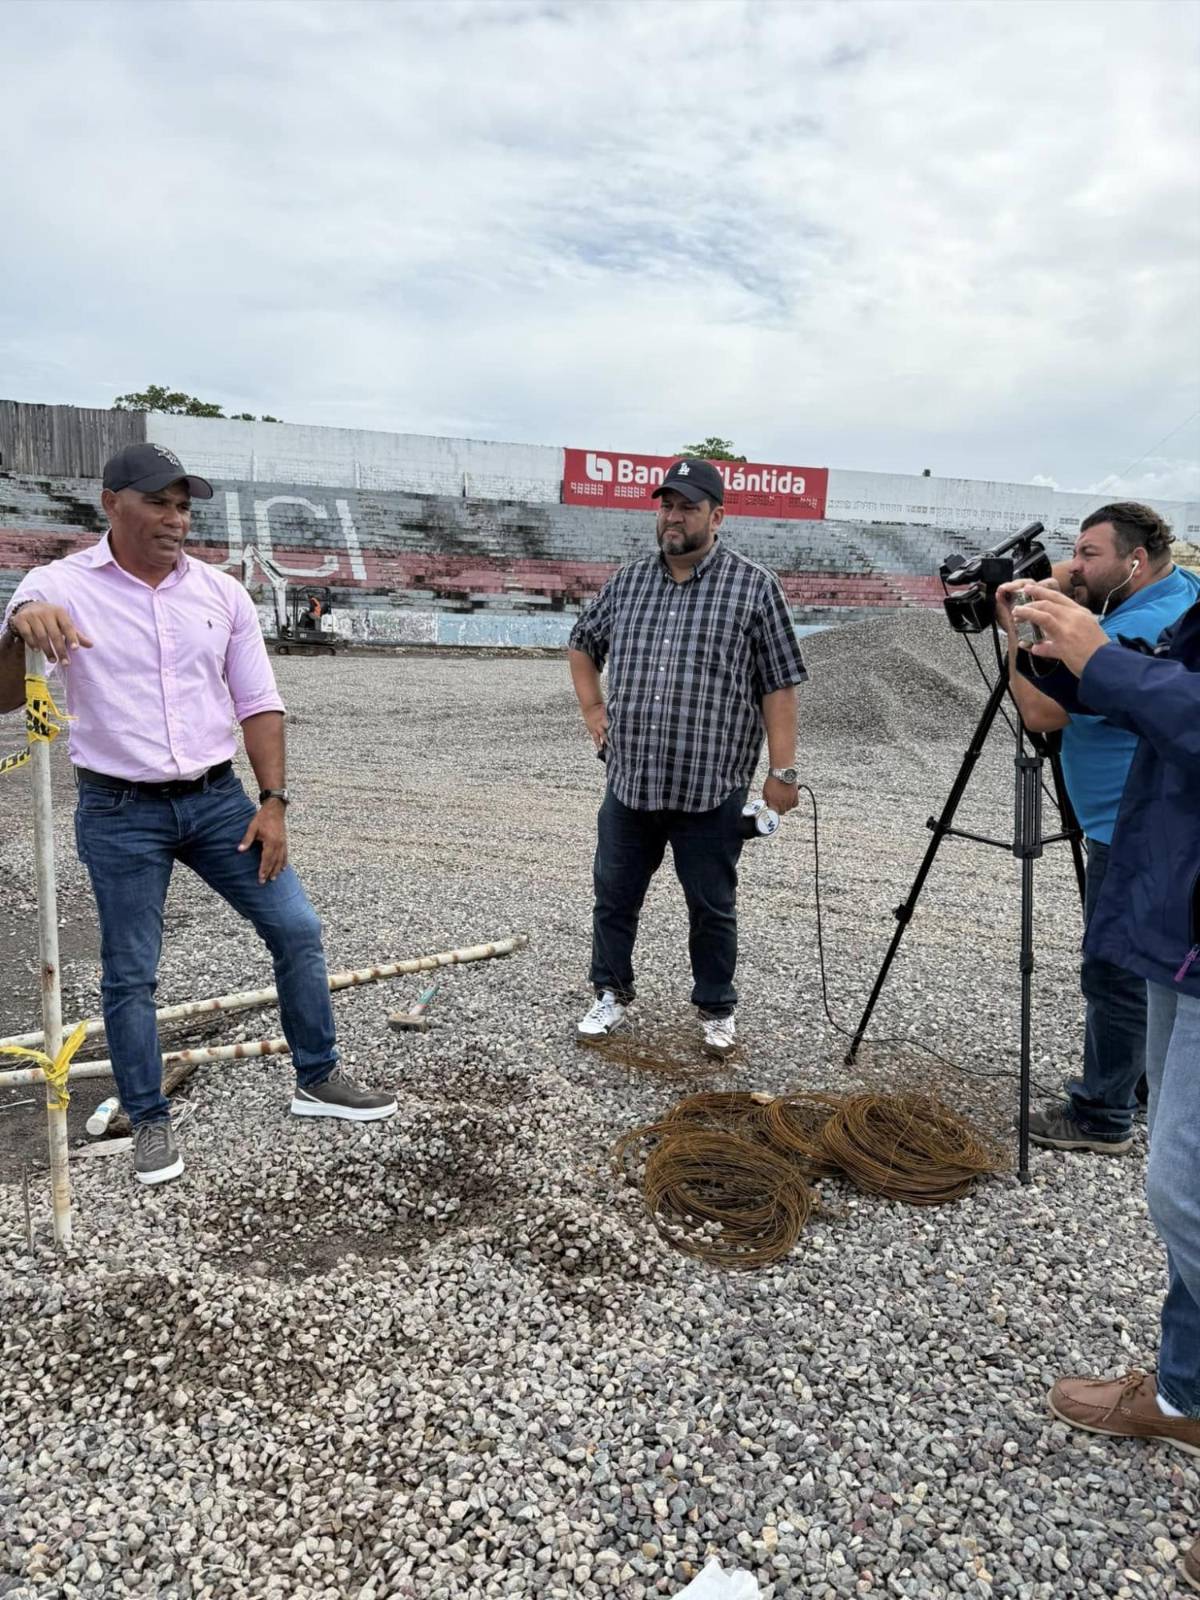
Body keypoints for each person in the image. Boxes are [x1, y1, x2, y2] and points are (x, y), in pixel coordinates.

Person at [0, 442, 396, 1186]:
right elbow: (5, 695)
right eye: (158, 502)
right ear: (111, 503)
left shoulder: (220, 594)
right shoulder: (57, 585)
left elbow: (259, 702)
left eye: (184, 505)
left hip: (219, 802)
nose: (176, 519)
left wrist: (273, 803)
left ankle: (318, 1077)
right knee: (129, 972)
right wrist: (22, 627)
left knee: (297, 929)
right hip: (120, 809)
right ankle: (148, 1120)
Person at [999, 577, 1200, 1593]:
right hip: (1178, 922)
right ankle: (1180, 1393)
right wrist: (1033, 642)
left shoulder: (1163, 612)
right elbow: (1078, 708)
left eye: (1089, 554)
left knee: (1187, 1198)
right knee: (1185, 1196)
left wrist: (1104, 655)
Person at [566, 457, 808, 1059]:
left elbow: (778, 685)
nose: (673, 517)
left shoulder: (754, 587)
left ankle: (716, 1007)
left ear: (717, 516)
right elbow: (581, 643)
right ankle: (611, 992)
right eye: (666, 505)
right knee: (615, 895)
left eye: (688, 506)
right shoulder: (629, 582)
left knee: (712, 905)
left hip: (711, 787)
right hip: (631, 782)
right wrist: (594, 712)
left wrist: (782, 772)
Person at [1000, 503, 1200, 1154]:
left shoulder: (1134, 625)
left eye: (1089, 555)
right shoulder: (1175, 591)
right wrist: (1055, 576)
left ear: (1133, 561)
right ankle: (1138, 1086)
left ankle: (1103, 1114)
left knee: (1112, 970)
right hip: (1133, 820)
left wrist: (1017, 627)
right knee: (1143, 978)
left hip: (1126, 828)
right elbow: (1093, 570)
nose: (1075, 567)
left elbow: (1037, 713)